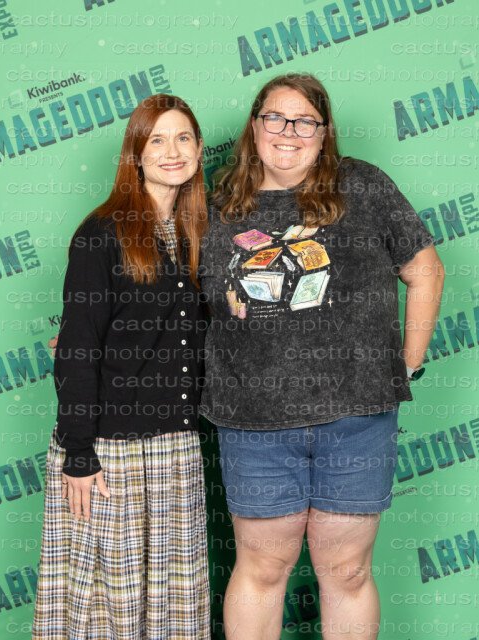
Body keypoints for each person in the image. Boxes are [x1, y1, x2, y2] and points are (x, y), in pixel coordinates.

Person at [198, 73, 445, 639]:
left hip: (357, 421)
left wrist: (406, 365)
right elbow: (178, 301)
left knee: (347, 570)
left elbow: (425, 271)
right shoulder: (216, 206)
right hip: (253, 422)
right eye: (275, 118)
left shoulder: (363, 186)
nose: (288, 131)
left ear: (325, 131)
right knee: (262, 569)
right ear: (254, 126)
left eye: (305, 121)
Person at [32, 94, 211, 640]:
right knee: (106, 608)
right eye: (156, 139)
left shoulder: (198, 232)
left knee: (175, 604)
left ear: (200, 148)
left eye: (183, 137)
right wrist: (79, 453)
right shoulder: (103, 232)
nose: (172, 151)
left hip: (177, 446)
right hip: (110, 450)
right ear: (135, 153)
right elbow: (78, 346)